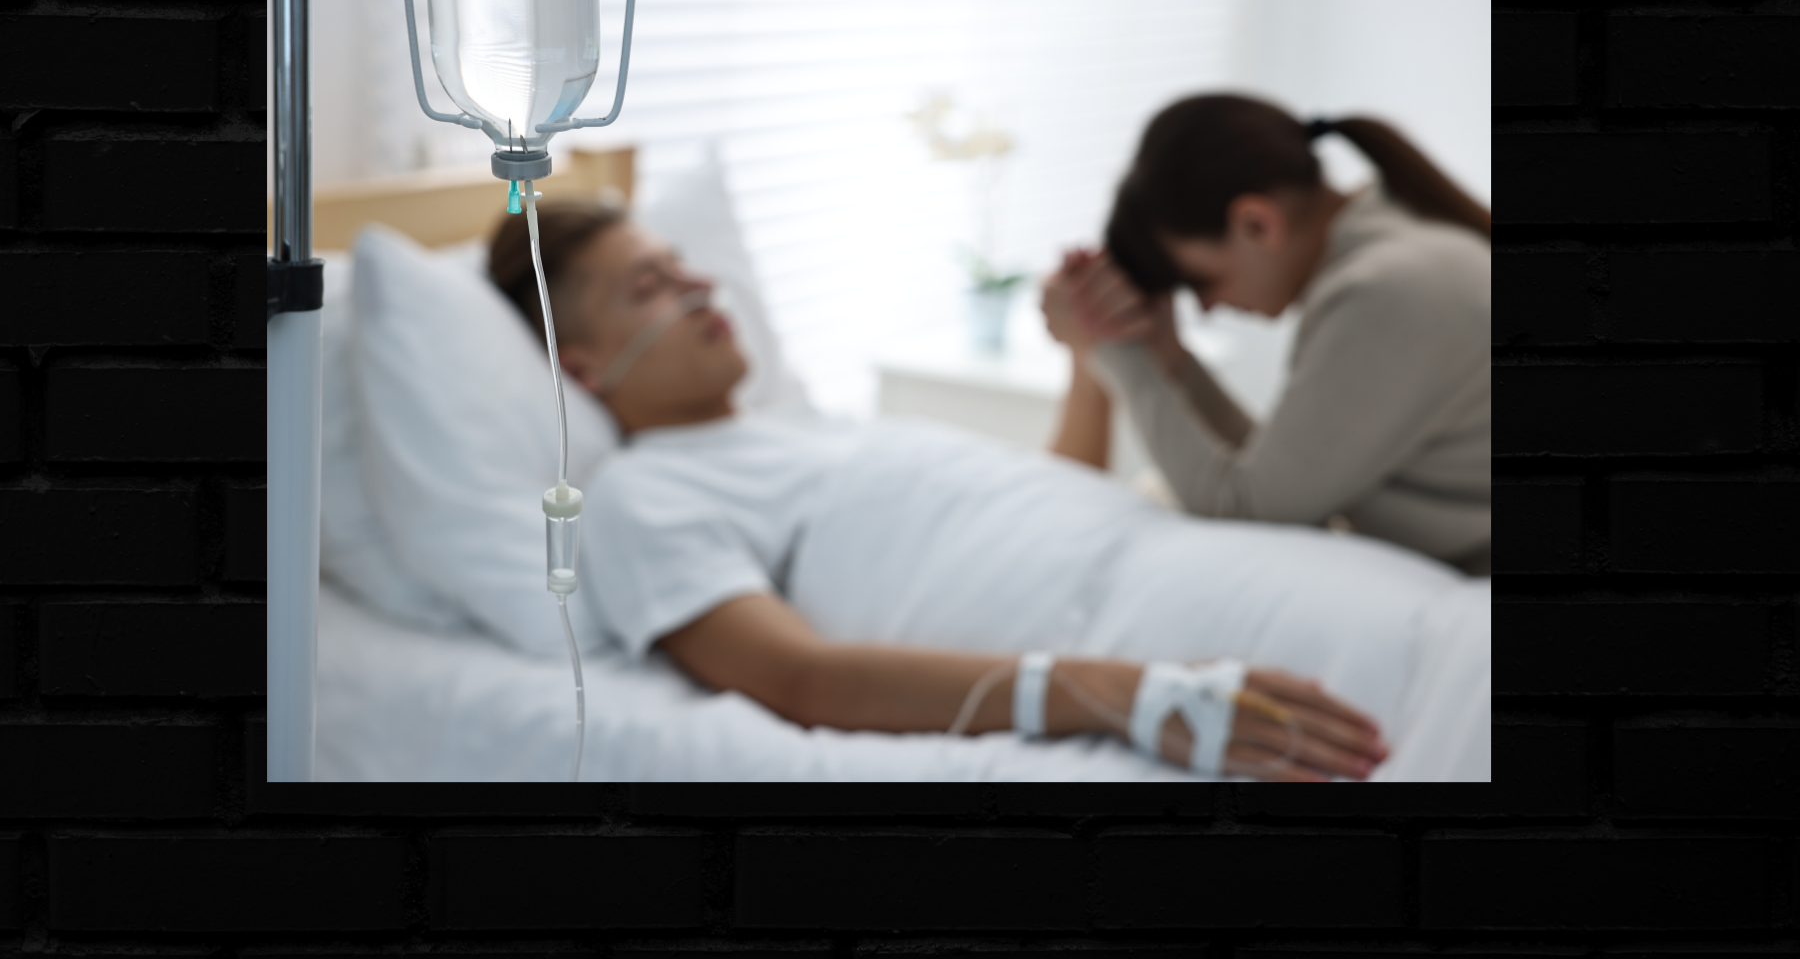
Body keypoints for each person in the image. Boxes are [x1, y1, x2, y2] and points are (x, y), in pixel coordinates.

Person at [488, 198, 1394, 782]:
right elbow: (796, 679)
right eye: (651, 286)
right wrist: (1125, 691)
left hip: (1186, 560)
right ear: (585, 368)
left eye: (682, 263)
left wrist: (1088, 363)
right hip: (1148, 639)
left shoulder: (806, 427)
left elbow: (1046, 506)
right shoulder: (643, 495)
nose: (697, 286)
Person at [1041, 93, 1491, 573]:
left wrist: (1114, 345)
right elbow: (1285, 477)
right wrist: (1168, 354)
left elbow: (1245, 506)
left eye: (1201, 283)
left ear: (1255, 224)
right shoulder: (1398, 243)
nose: (1207, 308)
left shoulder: (1384, 291)